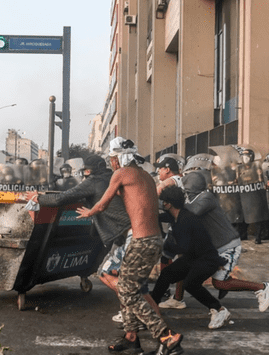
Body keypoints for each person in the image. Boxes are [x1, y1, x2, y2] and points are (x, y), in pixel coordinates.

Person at [76, 137, 183, 355]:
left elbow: (103, 202)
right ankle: (131, 338)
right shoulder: (145, 176)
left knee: (126, 290)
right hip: (154, 240)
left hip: (141, 241)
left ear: (120, 158)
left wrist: (90, 211)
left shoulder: (121, 174)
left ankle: (166, 336)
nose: (112, 163)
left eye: (113, 159)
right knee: (128, 287)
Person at [25, 156, 159, 324]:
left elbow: (61, 199)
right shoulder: (113, 177)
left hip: (127, 236)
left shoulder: (94, 181)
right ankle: (147, 315)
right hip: (139, 233)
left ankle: (139, 312)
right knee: (136, 284)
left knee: (107, 273)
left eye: (86, 171)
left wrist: (38, 198)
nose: (85, 174)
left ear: (89, 170)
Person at [182, 170, 269, 308]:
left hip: (227, 246)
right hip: (214, 248)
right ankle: (223, 287)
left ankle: (262, 287)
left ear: (190, 187)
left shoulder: (206, 197)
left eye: (185, 189)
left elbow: (192, 213)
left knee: (218, 282)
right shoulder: (193, 199)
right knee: (192, 275)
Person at [154, 185, 231, 329]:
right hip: (193, 257)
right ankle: (151, 308)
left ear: (169, 204)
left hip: (206, 259)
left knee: (190, 284)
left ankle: (220, 310)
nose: (161, 203)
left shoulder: (186, 219)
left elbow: (184, 247)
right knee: (166, 274)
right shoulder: (175, 215)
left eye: (163, 201)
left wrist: (163, 246)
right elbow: (157, 216)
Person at [154, 157, 187, 310]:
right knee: (170, 257)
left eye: (160, 169)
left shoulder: (172, 179)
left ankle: (168, 293)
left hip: (180, 226)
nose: (158, 172)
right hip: (181, 223)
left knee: (169, 257)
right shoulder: (183, 180)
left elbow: (157, 191)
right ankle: (176, 296)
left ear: (167, 169)